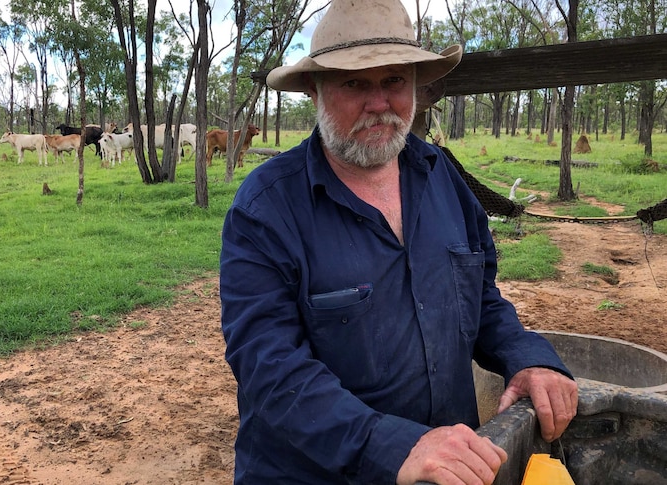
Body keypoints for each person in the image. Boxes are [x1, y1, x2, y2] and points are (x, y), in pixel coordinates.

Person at [218, 0, 579, 483]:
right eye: (354, 83)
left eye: (394, 81)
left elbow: (481, 300)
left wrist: (527, 357)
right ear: (314, 88)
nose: (379, 103)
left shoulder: (443, 178)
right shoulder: (266, 208)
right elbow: (269, 367)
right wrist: (394, 445)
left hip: (449, 466)